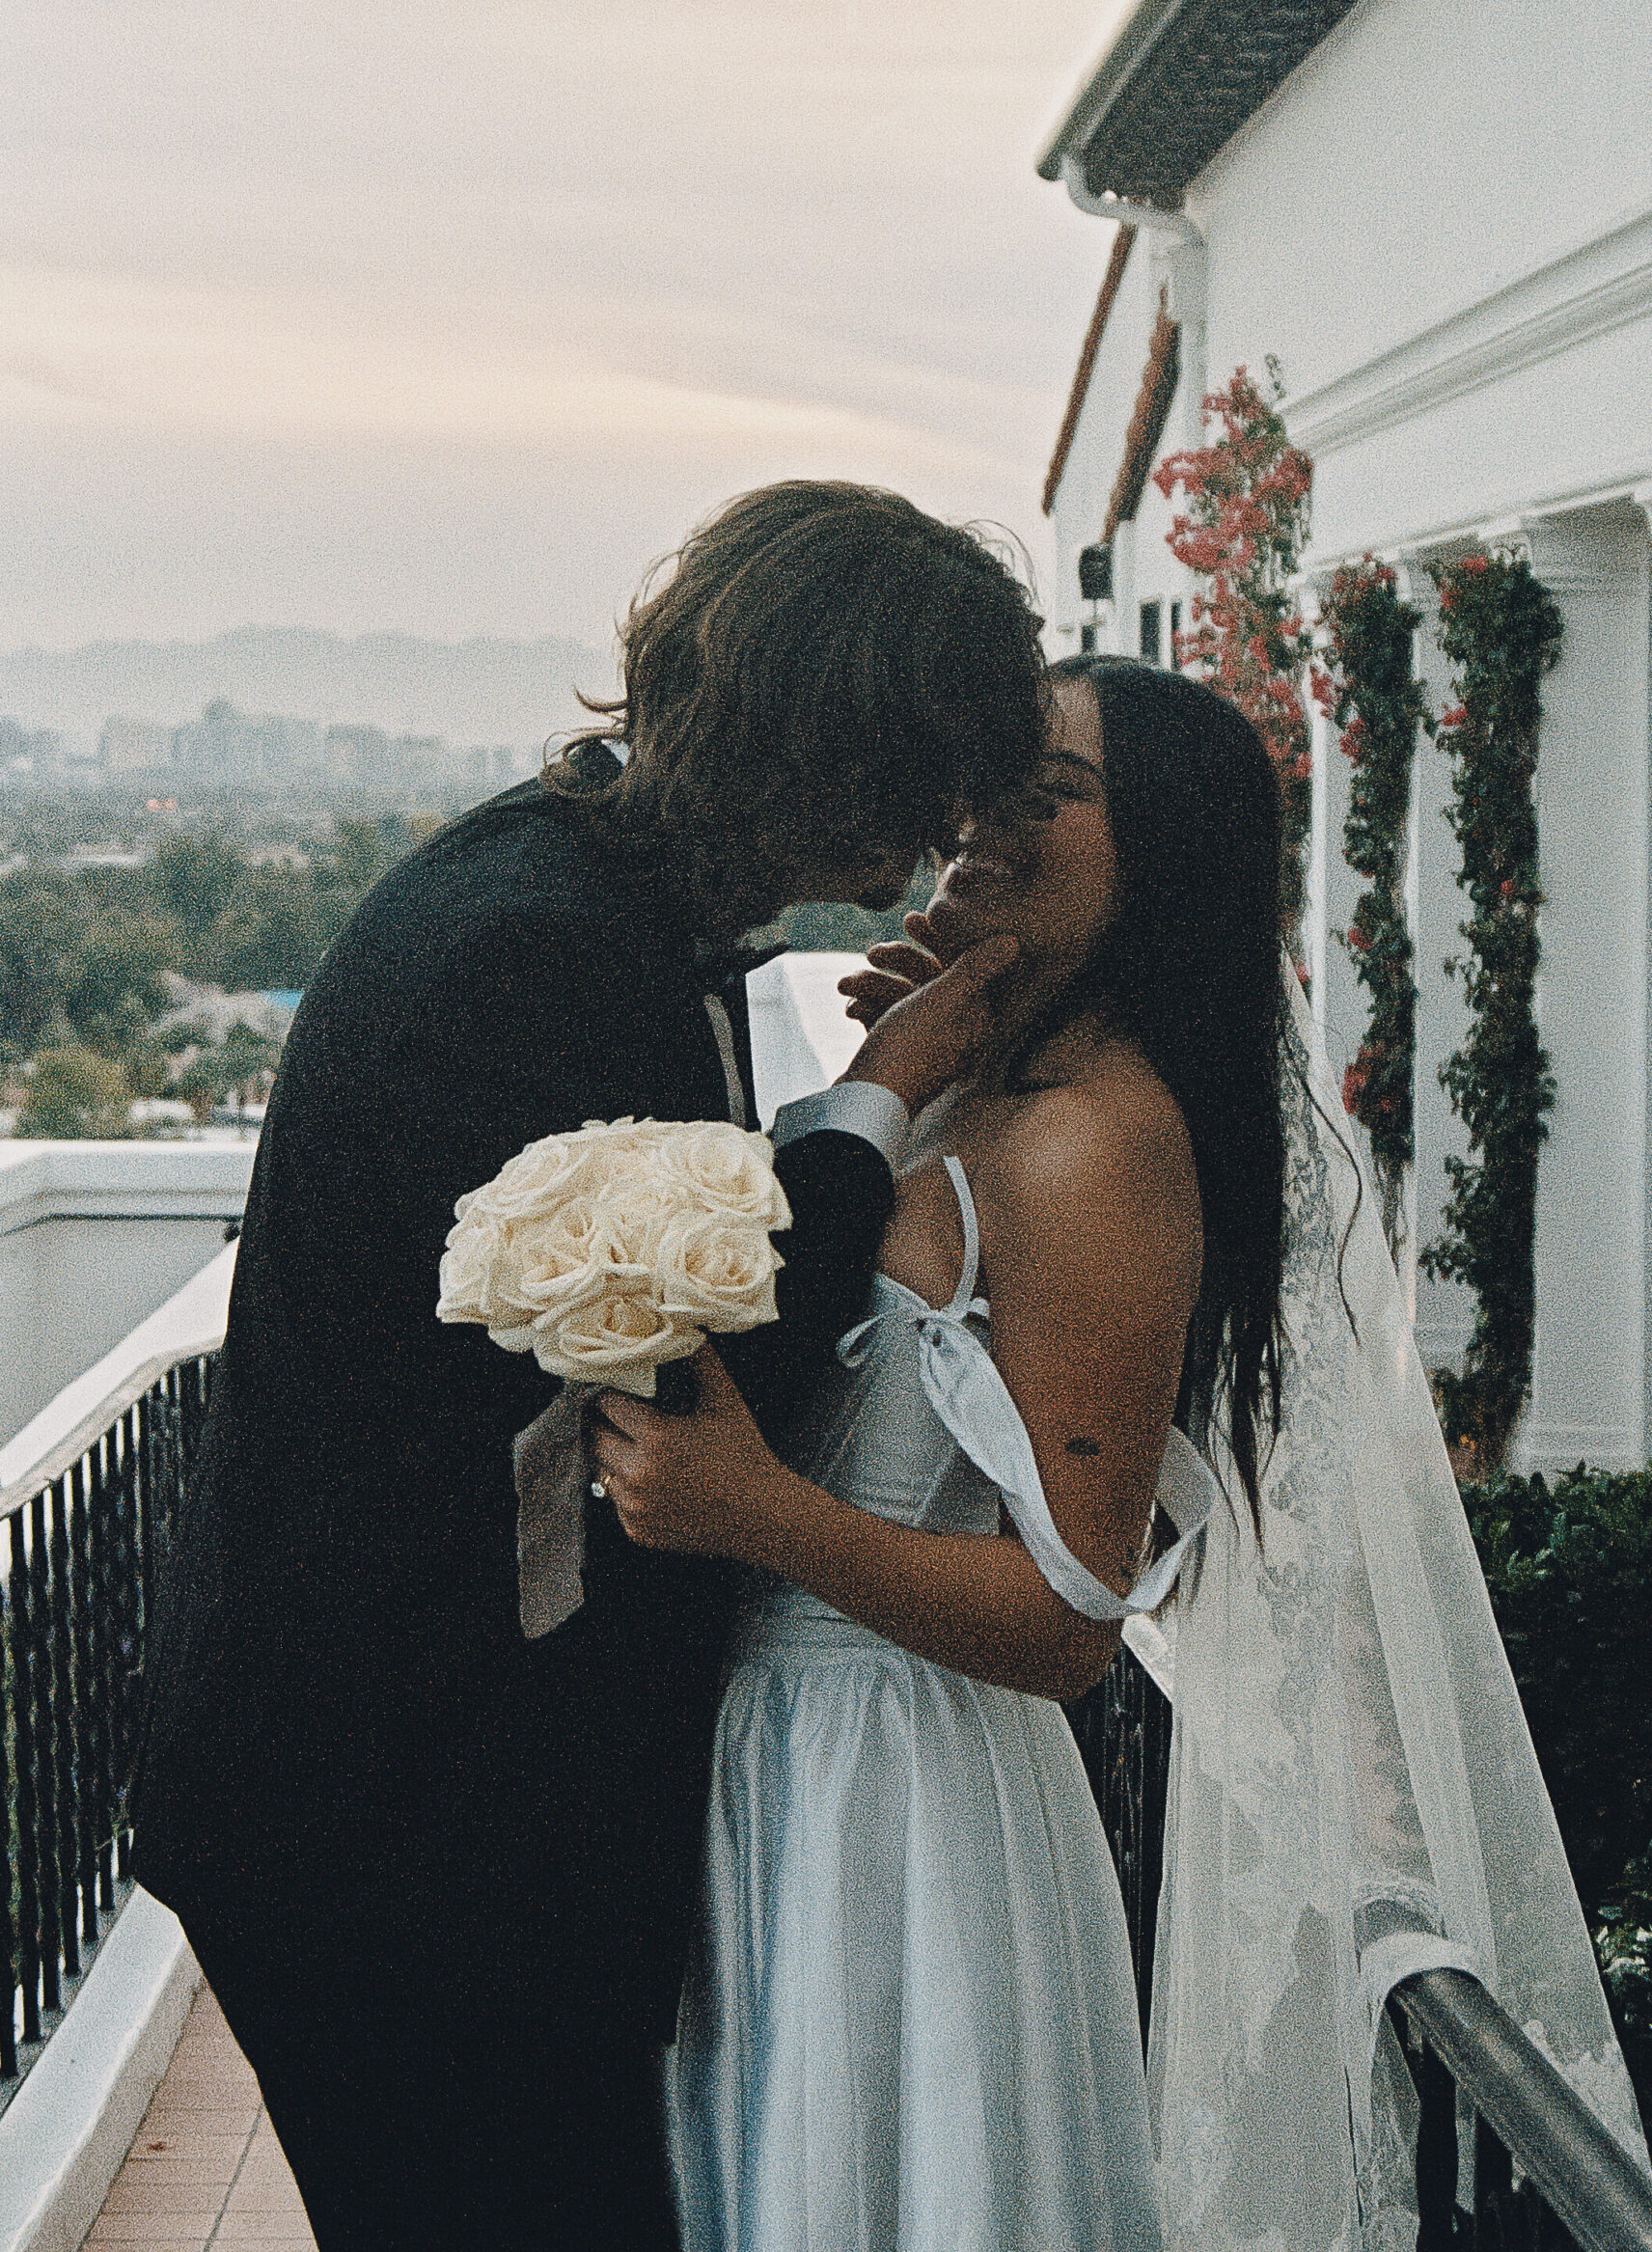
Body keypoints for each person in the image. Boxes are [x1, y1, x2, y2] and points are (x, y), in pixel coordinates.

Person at [595, 655, 1651, 2252]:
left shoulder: (1101, 1137)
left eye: (1054, 797)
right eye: (983, 794)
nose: (984, 834)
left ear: (1168, 850)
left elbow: (1075, 1614)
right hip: (777, 1785)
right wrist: (897, 1088)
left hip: (894, 1815)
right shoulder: (969, 1082)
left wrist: (761, 1515)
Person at [126, 481, 1051, 2251]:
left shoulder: (573, 886)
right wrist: (889, 1093)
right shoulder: (536, 955)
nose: (946, 834)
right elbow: (690, 1390)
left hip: (402, 1815)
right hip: (396, 1834)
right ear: (834, 744)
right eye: (935, 773)